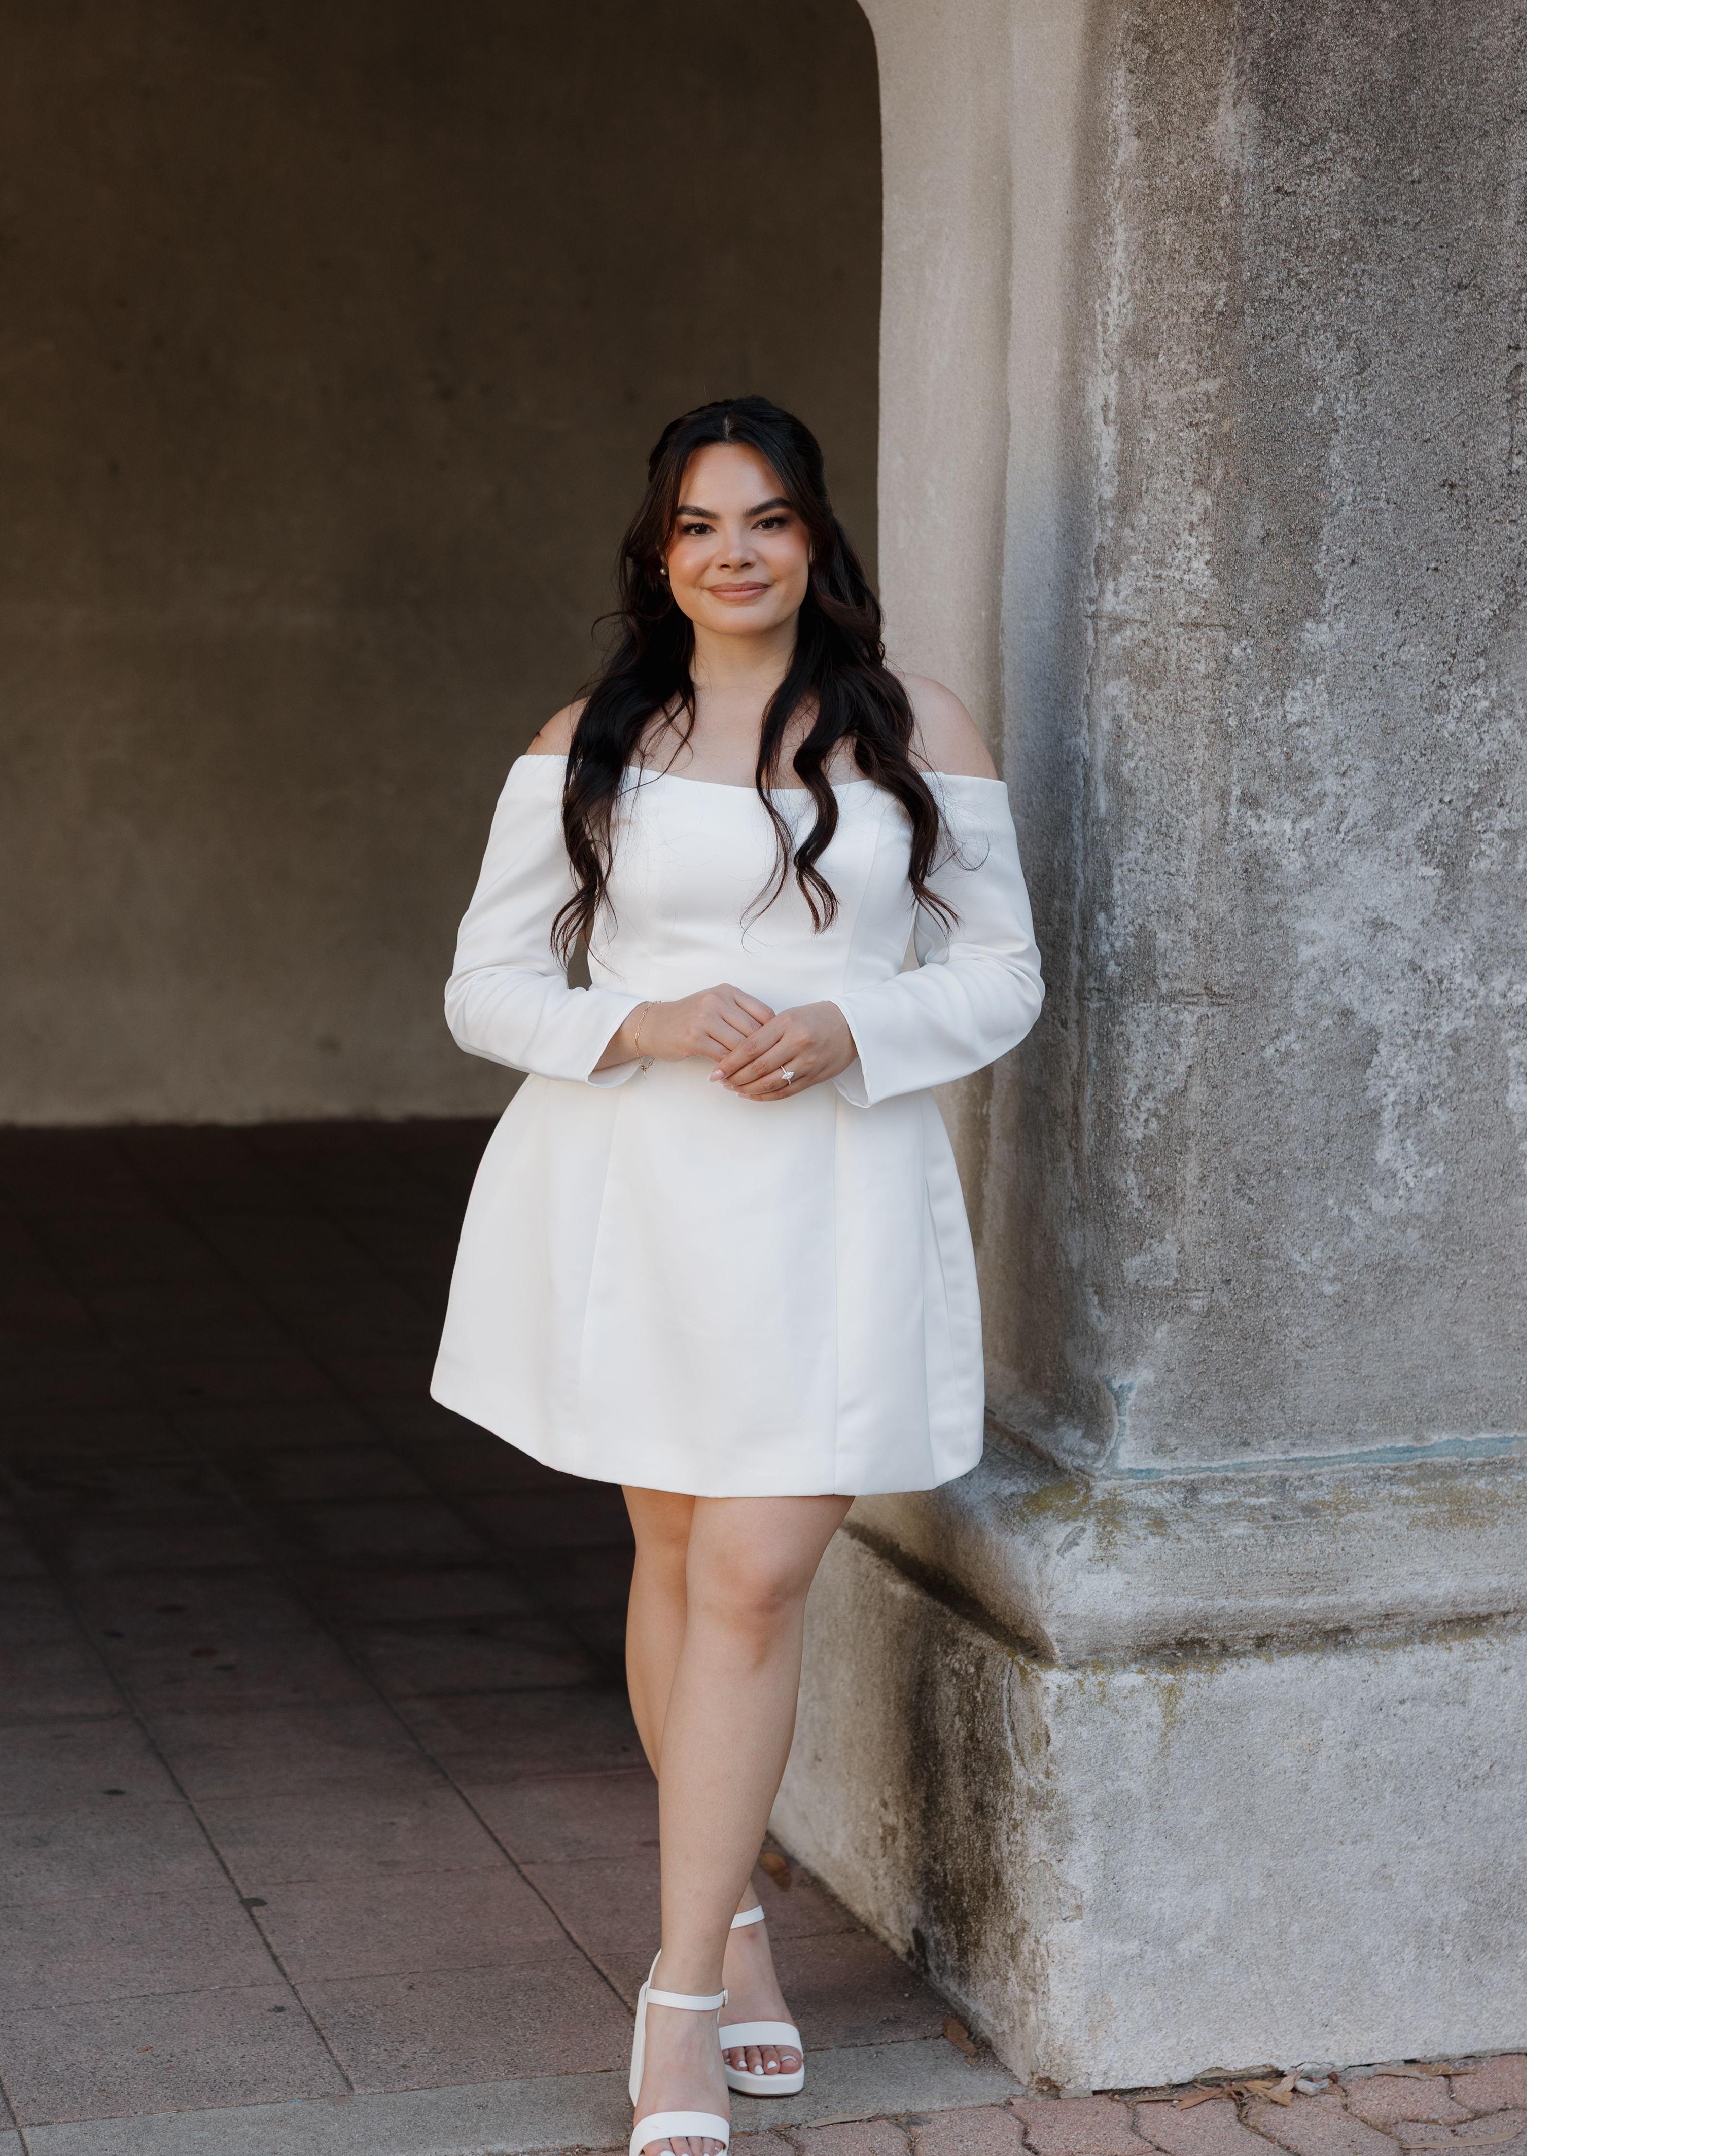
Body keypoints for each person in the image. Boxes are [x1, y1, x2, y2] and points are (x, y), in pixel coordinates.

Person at [433, 396, 1044, 2156]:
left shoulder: (915, 726)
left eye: (767, 519)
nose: (735, 553)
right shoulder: (593, 740)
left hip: (835, 1196)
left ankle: (679, 2001)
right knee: (680, 1555)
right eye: (700, 525)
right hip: (640, 1192)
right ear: (661, 552)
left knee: (759, 1573)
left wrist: (854, 1026)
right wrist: (645, 1019)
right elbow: (484, 988)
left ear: (815, 537)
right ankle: (731, 1938)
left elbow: (1004, 974)